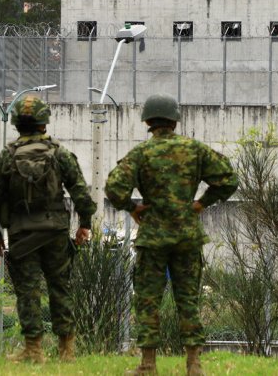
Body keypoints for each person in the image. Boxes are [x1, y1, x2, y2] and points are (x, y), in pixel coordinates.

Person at [106, 94, 238, 376]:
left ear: (148, 121)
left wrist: (133, 207)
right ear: (175, 120)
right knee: (188, 299)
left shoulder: (141, 155)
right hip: (187, 237)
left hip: (153, 238)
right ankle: (194, 364)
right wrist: (201, 203)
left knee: (148, 300)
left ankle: (148, 365)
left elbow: (113, 189)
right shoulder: (195, 150)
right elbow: (229, 179)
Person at [0, 93, 96, 364]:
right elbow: (81, 193)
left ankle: (33, 350)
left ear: (15, 124)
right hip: (56, 232)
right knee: (61, 287)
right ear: (44, 123)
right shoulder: (59, 153)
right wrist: (84, 225)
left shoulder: (6, 156)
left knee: (28, 291)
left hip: (21, 233)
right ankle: (66, 351)